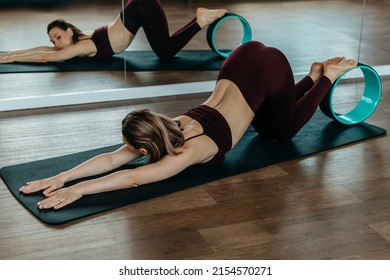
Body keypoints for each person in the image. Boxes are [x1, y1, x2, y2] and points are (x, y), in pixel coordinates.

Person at [19, 41, 357, 210]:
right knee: (265, 115)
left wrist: (79, 189)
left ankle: (325, 77)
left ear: (144, 146)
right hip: (242, 58)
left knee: (280, 133)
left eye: (130, 146)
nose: (125, 150)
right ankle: (310, 76)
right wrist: (63, 177)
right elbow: (111, 159)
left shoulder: (189, 151)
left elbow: (132, 175)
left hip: (264, 68)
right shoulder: (168, 124)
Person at [0, 0, 227, 63]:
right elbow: (46, 50)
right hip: (139, 7)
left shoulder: (80, 45)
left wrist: (8, 61)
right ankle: (200, 19)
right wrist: (12, 54)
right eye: (53, 40)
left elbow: (45, 57)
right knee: (165, 49)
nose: (56, 43)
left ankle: (200, 20)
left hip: (141, 7)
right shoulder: (79, 39)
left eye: (58, 36)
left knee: (166, 53)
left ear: (69, 31)